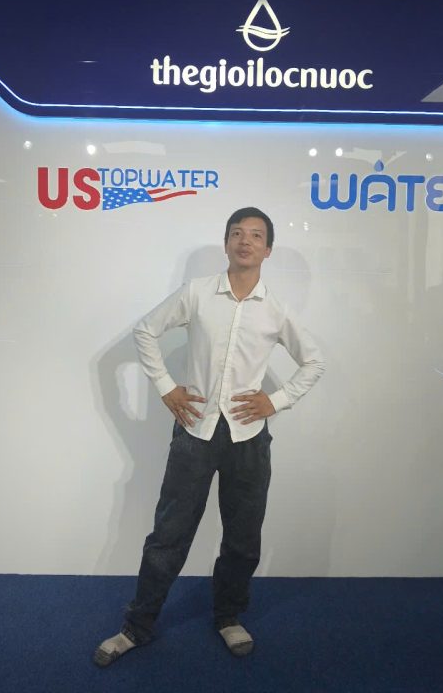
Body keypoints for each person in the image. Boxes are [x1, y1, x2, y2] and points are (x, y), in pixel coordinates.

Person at [94, 207, 325, 665]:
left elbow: (314, 361)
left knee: (243, 538)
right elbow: (145, 331)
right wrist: (166, 388)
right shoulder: (197, 293)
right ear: (226, 243)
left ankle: (228, 617)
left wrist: (276, 401)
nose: (245, 241)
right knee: (169, 536)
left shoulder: (276, 310)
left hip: (249, 439)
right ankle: (137, 627)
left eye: (255, 235)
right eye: (237, 233)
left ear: (268, 249)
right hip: (194, 433)